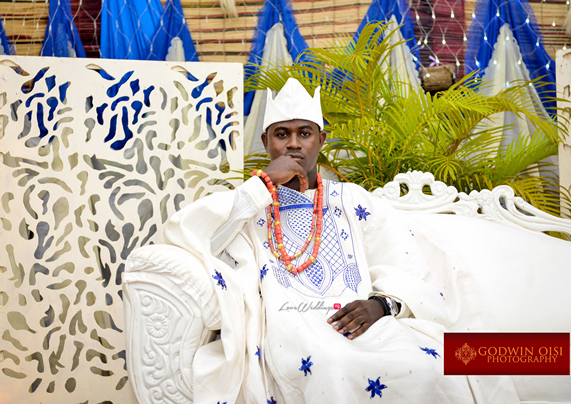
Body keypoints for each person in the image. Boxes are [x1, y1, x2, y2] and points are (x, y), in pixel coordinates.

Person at [162, 78, 519, 404]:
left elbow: (404, 259)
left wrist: (380, 305)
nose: (294, 144)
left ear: (322, 139)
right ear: (266, 142)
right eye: (281, 134)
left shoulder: (353, 200)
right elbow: (200, 239)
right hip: (292, 325)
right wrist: (261, 185)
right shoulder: (251, 204)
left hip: (363, 320)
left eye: (305, 133)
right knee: (333, 363)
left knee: (430, 365)